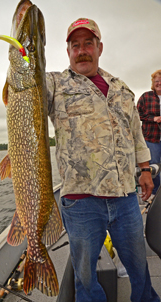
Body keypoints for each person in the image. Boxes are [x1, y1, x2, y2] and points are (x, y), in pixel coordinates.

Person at [46, 18, 160, 302]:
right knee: (85, 276)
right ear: (68, 51)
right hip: (81, 201)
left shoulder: (121, 89)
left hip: (124, 196)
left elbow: (136, 135)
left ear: (99, 47)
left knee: (139, 266)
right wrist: (24, 47)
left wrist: (144, 170)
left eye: (88, 43)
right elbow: (21, 83)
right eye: (75, 45)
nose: (82, 50)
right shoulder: (54, 85)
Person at [137, 70, 161, 200]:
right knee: (154, 167)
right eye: (156, 81)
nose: (159, 83)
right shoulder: (145, 97)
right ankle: (155, 196)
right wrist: (153, 119)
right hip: (151, 138)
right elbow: (137, 115)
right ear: (153, 83)